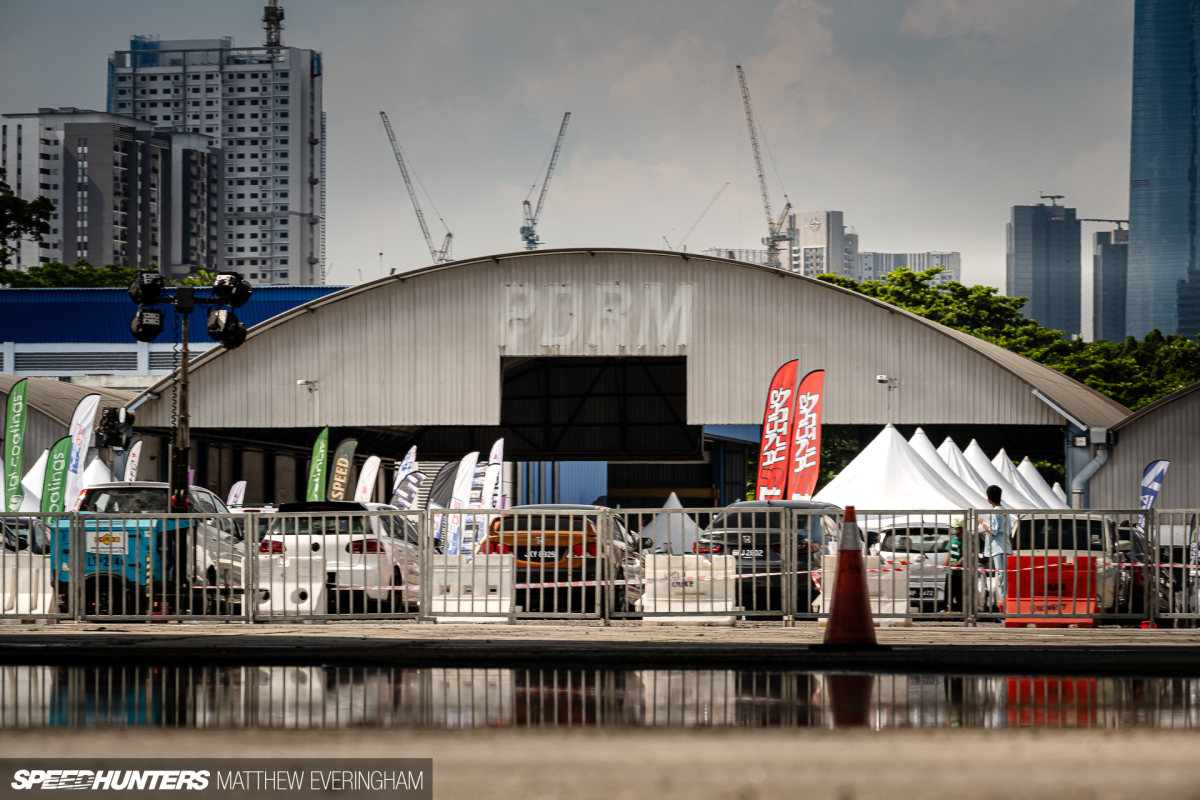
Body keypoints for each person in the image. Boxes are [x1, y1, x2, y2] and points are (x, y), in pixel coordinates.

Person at [978, 485, 1011, 620]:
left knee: (1001, 580)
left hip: (999, 548)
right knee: (1003, 579)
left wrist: (983, 524)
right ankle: (1005, 609)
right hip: (1005, 547)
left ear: (988, 499)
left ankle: (1005, 612)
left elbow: (994, 531)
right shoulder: (1005, 511)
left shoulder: (996, 512)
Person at [944, 518, 965, 613]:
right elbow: (949, 551)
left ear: (960, 529)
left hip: (959, 572)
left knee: (959, 592)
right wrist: (946, 561)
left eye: (954, 528)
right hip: (950, 571)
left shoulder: (964, 540)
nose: (952, 530)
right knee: (948, 591)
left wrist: (958, 563)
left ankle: (961, 611)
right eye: (951, 528)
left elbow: (965, 554)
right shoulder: (952, 538)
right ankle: (948, 609)